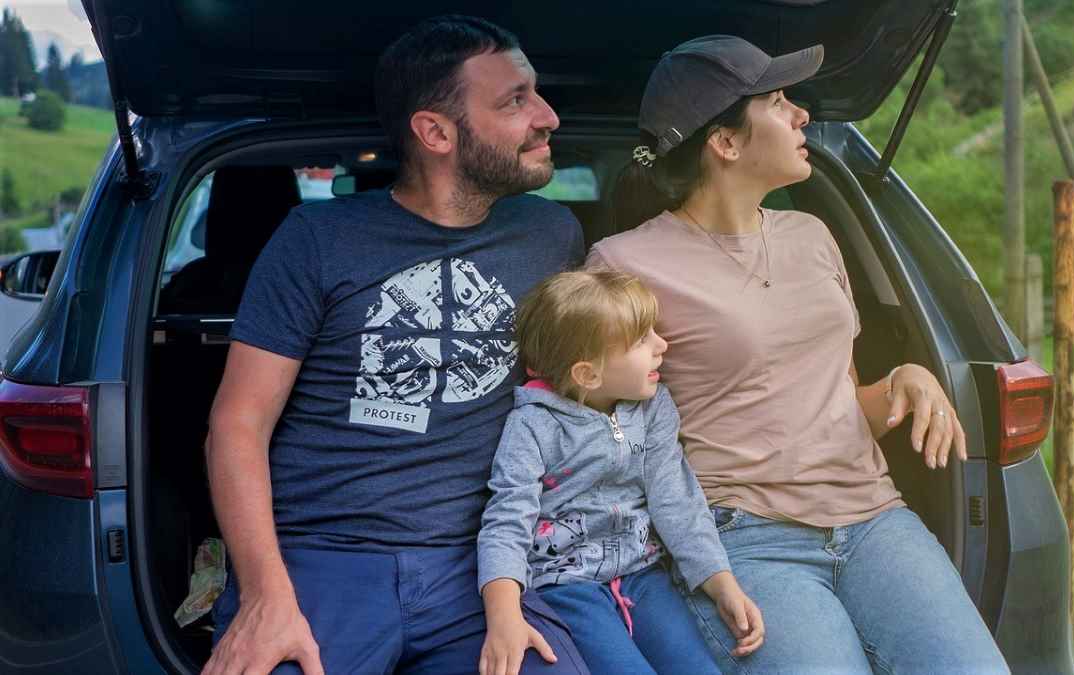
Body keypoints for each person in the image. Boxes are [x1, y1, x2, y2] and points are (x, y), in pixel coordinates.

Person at [588, 35, 1011, 674]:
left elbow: (843, 400)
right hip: (743, 540)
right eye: (779, 102)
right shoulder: (624, 265)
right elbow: (597, 439)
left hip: (875, 521)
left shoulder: (812, 235)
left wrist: (908, 377)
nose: (802, 114)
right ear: (725, 142)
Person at [202, 15, 590, 675]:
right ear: (435, 132)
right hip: (321, 559)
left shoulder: (552, 235)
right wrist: (266, 597)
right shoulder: (316, 239)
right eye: (514, 100)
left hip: (482, 564)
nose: (548, 116)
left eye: (536, 93)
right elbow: (237, 424)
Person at [476, 270, 765, 675]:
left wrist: (721, 583)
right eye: (642, 340)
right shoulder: (532, 426)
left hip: (643, 575)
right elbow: (507, 519)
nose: (662, 345)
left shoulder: (653, 408)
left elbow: (676, 499)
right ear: (588, 374)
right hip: (567, 586)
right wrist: (504, 615)